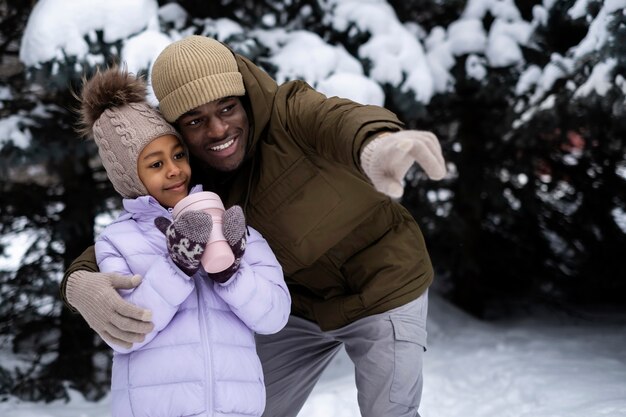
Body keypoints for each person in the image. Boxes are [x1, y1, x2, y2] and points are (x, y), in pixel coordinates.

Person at [63, 36, 447, 417]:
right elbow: (137, 231)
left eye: (227, 108)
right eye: (195, 120)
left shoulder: (290, 113)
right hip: (298, 308)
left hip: (384, 284)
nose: (216, 130)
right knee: (244, 406)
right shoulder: (195, 180)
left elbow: (337, 120)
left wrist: (375, 144)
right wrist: (78, 282)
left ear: (244, 98)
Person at [75, 65, 290, 417]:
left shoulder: (228, 221)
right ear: (130, 175)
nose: (174, 170)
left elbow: (275, 317)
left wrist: (233, 274)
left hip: (236, 409)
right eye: (155, 164)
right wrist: (177, 265)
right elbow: (126, 332)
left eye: (177, 155)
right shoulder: (117, 242)